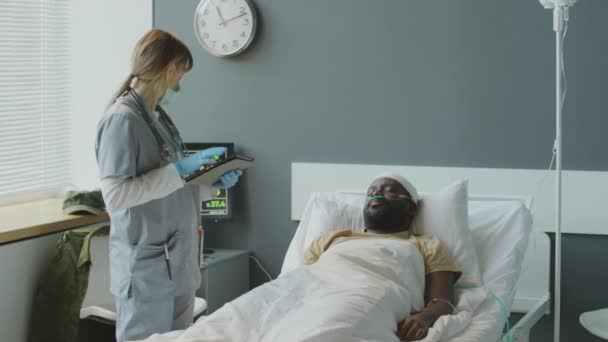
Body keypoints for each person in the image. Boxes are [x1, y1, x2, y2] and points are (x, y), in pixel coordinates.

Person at [95, 29, 242, 342]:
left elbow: (175, 187)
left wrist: (214, 185)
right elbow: (116, 196)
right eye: (182, 74)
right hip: (148, 271)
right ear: (170, 69)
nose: (180, 83)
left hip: (178, 265)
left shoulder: (158, 118)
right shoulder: (122, 120)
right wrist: (181, 168)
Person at [303, 174, 462, 342]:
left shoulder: (428, 245)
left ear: (411, 208)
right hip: (320, 301)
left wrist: (424, 318)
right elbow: (302, 283)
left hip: (369, 302)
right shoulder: (329, 240)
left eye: (389, 192)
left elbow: (443, 300)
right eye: (371, 193)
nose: (377, 195)